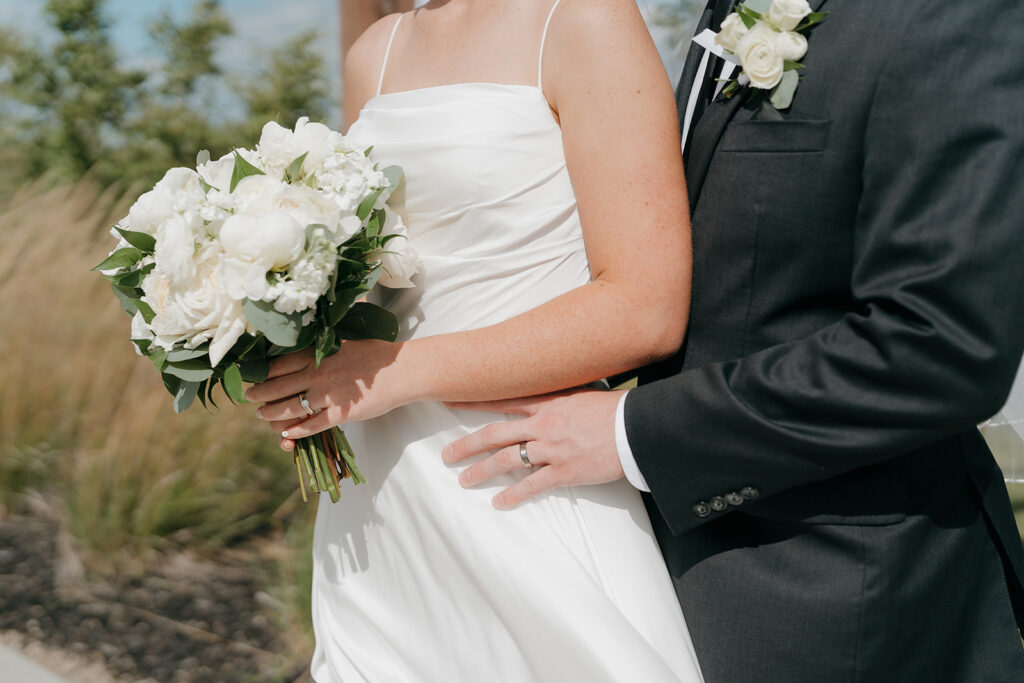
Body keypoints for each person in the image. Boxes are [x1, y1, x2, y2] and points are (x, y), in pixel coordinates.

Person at [443, 0, 1024, 681]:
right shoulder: (725, 11)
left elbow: (940, 347)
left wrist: (635, 434)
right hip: (671, 565)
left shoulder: (946, 17)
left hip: (842, 595)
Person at [248, 1, 704, 681]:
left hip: (518, 477)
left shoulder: (583, 19)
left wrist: (392, 372)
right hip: (380, 508)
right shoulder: (375, 50)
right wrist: (289, 348)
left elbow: (646, 308)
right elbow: (368, 274)